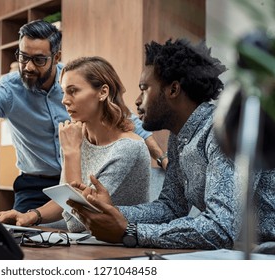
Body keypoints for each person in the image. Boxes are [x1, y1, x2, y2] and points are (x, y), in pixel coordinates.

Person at [67, 38, 248, 249]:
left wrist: (131, 232)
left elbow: (220, 228)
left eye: (144, 89)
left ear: (173, 90)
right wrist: (113, 212)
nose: (137, 101)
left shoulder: (222, 130)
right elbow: (171, 207)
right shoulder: (178, 137)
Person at [0, 19, 166, 213]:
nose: (28, 67)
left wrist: (162, 157)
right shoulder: (8, 90)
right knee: (21, 236)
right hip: (34, 185)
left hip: (81, 177)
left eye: (38, 60)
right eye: (23, 57)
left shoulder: (74, 78)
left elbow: (127, 119)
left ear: (56, 57)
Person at [0, 56, 151, 231]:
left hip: (121, 247)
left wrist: (71, 153)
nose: (64, 100)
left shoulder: (128, 148)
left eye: (73, 91)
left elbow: (77, 221)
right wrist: (31, 216)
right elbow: (65, 199)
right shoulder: (77, 137)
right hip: (88, 242)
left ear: (103, 92)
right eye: (63, 92)